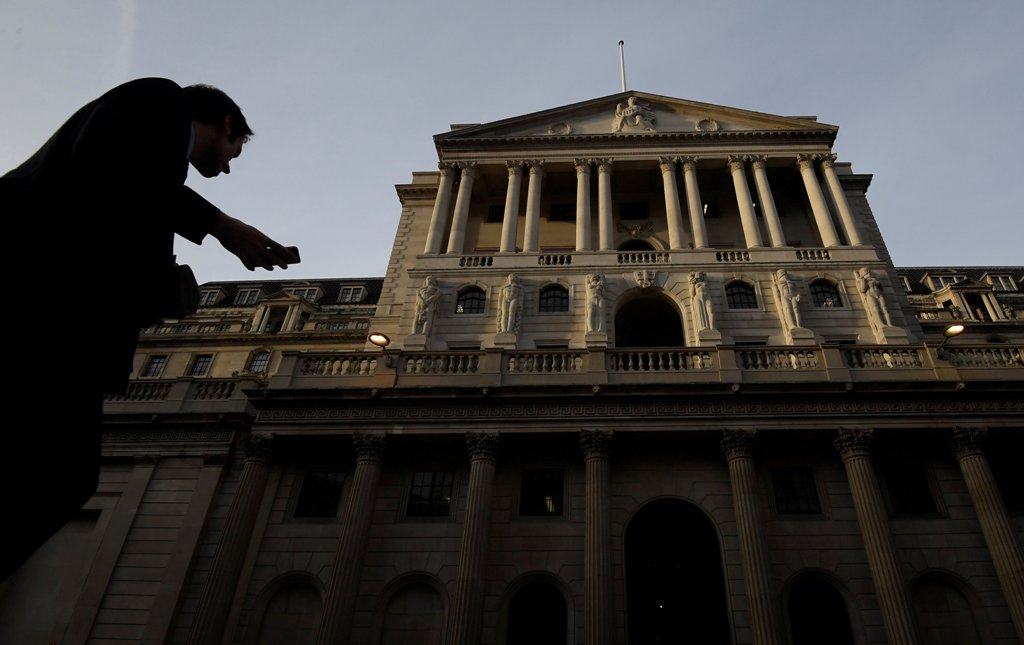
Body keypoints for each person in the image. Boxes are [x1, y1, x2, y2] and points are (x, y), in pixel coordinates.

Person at [1, 78, 297, 581]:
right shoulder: (159, 98)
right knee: (63, 478)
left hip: (47, 322)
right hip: (38, 317)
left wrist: (209, 240)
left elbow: (132, 186)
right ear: (226, 123)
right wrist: (195, 251)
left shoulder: (150, 157)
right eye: (233, 153)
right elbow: (121, 174)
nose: (225, 168)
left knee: (60, 476)